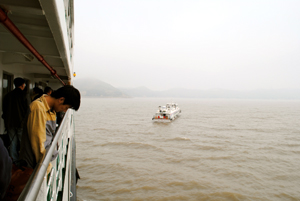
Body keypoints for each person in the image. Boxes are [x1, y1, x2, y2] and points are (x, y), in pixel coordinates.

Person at [19, 85, 80, 172]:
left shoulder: (51, 110)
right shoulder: (38, 108)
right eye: (66, 107)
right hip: (31, 167)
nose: (65, 111)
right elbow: (39, 144)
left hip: (37, 164)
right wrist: (47, 171)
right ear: (61, 99)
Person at [2, 77, 28, 163]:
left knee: (12, 142)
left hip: (10, 123)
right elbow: (28, 110)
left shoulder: (8, 95)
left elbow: (4, 110)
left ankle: (14, 160)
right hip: (21, 123)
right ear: (22, 85)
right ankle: (23, 159)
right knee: (22, 142)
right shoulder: (24, 95)